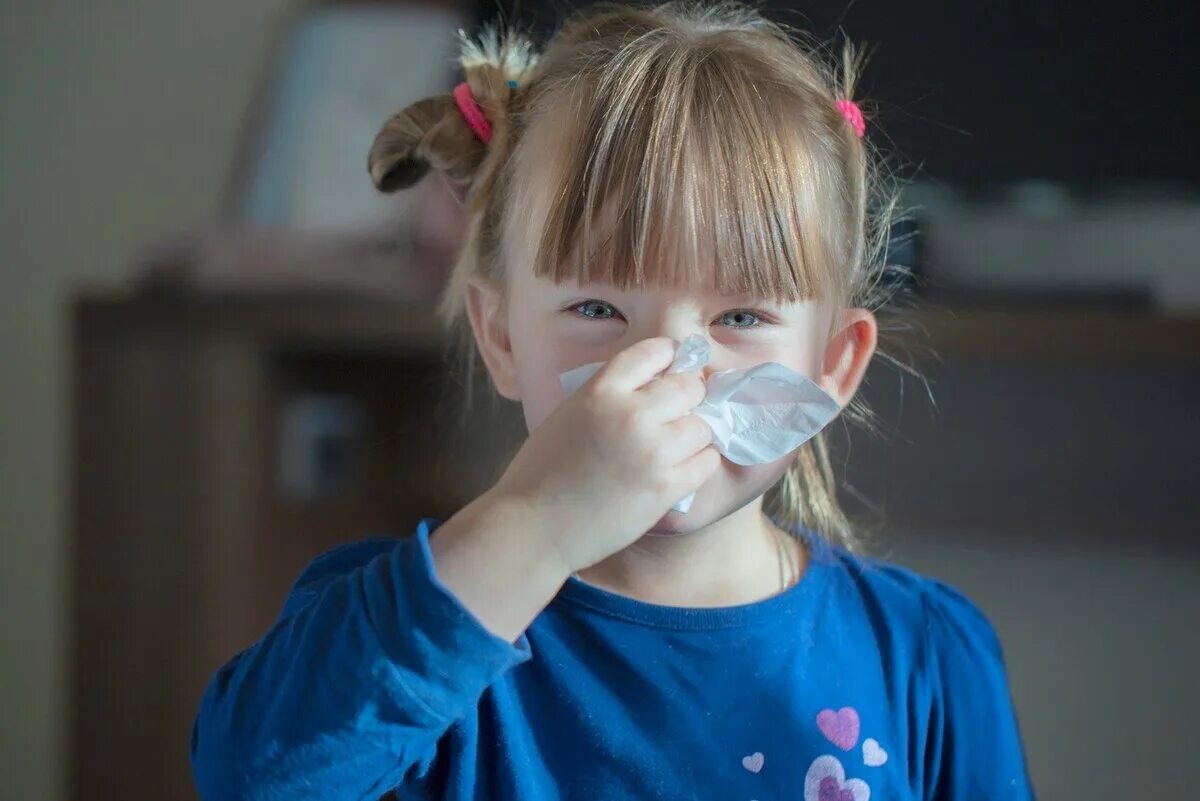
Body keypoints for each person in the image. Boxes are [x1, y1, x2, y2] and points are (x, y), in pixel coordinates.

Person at [190, 2, 1035, 798]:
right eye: (597, 309)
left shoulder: (926, 657)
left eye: (741, 315)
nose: (667, 369)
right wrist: (536, 520)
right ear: (504, 338)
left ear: (832, 366)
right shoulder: (411, 627)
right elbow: (251, 775)